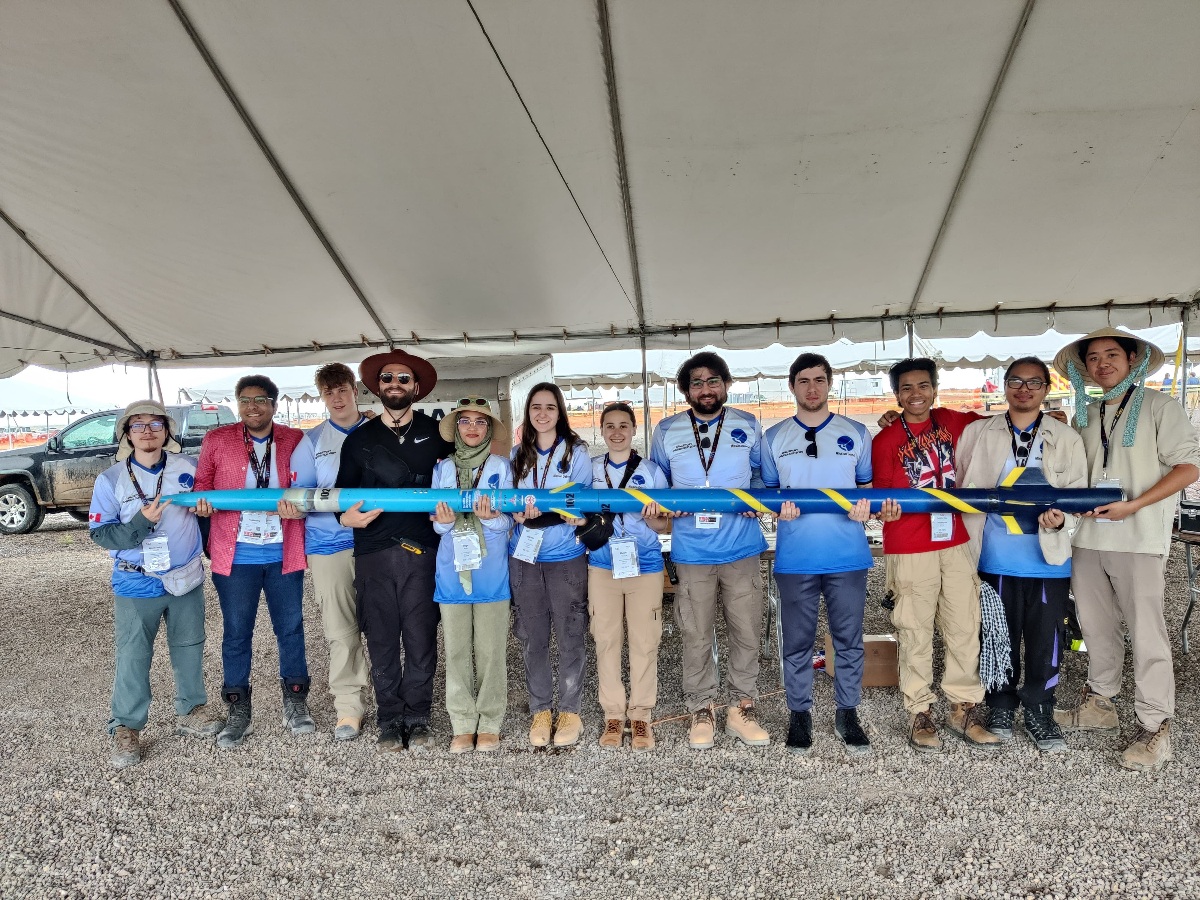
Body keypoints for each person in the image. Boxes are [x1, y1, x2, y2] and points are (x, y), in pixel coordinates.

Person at [1052, 329, 1200, 771]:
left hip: (1138, 538)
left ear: (1132, 359)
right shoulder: (1087, 413)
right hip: (1087, 537)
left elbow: (1189, 465)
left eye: (1111, 355)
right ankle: (1101, 702)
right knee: (1096, 627)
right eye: (1093, 358)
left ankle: (1156, 725)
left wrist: (1133, 505)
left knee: (1147, 631)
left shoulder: (1159, 406)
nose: (1102, 364)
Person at [761, 353, 899, 757]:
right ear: (792, 387)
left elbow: (868, 491)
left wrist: (867, 506)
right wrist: (775, 506)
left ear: (829, 384)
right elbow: (767, 494)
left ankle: (847, 711)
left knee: (848, 640)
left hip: (847, 556)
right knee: (797, 642)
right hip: (795, 557)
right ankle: (799, 712)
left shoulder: (856, 432)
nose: (812, 388)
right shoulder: (774, 438)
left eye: (819, 380)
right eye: (803, 381)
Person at [956, 357, 1088, 752]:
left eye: (1034, 382)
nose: (1024, 389)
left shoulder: (1067, 439)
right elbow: (960, 483)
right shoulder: (978, 432)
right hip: (993, 557)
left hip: (1048, 560)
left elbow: (1078, 496)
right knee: (997, 636)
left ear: (1047, 389)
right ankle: (999, 704)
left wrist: (1061, 519)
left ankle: (1040, 707)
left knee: (1046, 637)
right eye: (1016, 381)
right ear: (1004, 386)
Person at [871, 358, 998, 752]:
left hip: (955, 541)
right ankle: (919, 710)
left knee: (964, 625)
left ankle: (964, 706)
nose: (915, 395)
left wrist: (1052, 415)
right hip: (909, 545)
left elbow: (997, 425)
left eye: (923, 386)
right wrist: (884, 509)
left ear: (935, 388)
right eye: (906, 388)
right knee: (914, 628)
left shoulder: (952, 422)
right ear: (896, 394)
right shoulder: (886, 440)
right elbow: (881, 495)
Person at [90, 401, 222, 768]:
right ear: (126, 434)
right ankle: (127, 726)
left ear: (167, 431)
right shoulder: (111, 480)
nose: (147, 431)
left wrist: (206, 514)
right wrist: (140, 522)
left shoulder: (189, 469)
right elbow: (102, 535)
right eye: (138, 426)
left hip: (184, 578)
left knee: (189, 646)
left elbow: (205, 513)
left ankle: (192, 709)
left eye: (155, 424)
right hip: (136, 581)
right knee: (133, 655)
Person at [650, 351, 770, 749]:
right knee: (695, 632)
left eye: (713, 380)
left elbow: (761, 474)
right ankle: (701, 707)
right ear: (686, 390)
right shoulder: (667, 430)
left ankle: (741, 706)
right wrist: (667, 503)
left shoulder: (748, 424)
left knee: (746, 629)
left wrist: (754, 499)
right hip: (691, 551)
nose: (706, 389)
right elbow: (657, 481)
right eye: (697, 382)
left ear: (726, 385)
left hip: (741, 547)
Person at [335, 350, 452, 753]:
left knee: (421, 638)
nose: (395, 385)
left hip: (424, 552)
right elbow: (340, 496)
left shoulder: (439, 434)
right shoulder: (359, 440)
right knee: (382, 639)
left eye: (404, 379)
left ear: (416, 388)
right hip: (373, 554)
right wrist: (343, 519)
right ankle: (389, 718)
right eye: (387, 378)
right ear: (377, 386)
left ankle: (418, 717)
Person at [194, 375, 311, 750]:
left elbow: (309, 488)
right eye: (245, 401)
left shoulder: (294, 440)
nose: (252, 407)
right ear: (237, 405)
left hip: (283, 550)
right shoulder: (217, 439)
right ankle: (238, 708)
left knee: (290, 628)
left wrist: (301, 508)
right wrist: (204, 503)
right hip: (235, 552)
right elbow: (201, 486)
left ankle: (295, 700)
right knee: (236, 633)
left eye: (260, 400)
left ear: (275, 405)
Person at [291, 363, 372, 741]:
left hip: (378, 544)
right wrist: (341, 521)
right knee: (341, 629)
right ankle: (348, 707)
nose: (337, 398)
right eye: (328, 392)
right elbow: (301, 498)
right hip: (328, 546)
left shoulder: (378, 430)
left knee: (388, 626)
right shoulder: (311, 442)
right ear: (322, 397)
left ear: (355, 390)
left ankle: (392, 700)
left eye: (342, 389)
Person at [509, 382, 592, 748]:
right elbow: (508, 503)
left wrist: (537, 516)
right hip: (524, 558)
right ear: (528, 412)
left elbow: (581, 504)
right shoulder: (517, 454)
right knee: (532, 637)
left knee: (571, 633)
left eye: (550, 407)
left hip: (566, 558)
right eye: (536, 407)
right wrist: (519, 514)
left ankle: (571, 710)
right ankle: (541, 708)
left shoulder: (577, 452)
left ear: (560, 412)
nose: (542, 414)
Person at [430, 397, 514, 753]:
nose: (473, 428)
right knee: (457, 650)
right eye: (465, 422)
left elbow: (511, 519)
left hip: (492, 571)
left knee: (492, 649)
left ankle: (491, 719)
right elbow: (433, 521)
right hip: (451, 571)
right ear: (457, 429)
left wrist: (494, 519)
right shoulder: (442, 469)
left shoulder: (502, 467)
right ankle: (462, 721)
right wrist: (444, 525)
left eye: (481, 423)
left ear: (490, 429)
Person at [586, 403, 671, 751]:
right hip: (602, 565)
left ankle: (641, 715)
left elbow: (666, 523)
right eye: (610, 426)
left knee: (645, 640)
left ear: (634, 429)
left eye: (623, 425)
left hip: (645, 564)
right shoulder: (590, 469)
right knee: (605, 639)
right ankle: (613, 714)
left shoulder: (651, 471)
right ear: (601, 430)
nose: (617, 432)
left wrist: (655, 519)